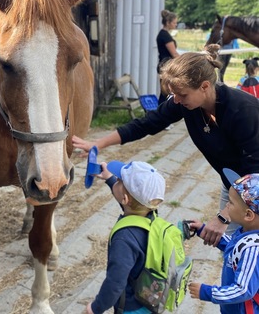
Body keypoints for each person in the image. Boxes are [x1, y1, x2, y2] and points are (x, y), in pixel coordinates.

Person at [72, 44, 259, 247]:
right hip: (234, 185)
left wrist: (223, 217)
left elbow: (255, 169)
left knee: (250, 250)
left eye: (182, 94)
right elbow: (148, 123)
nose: (176, 100)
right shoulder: (187, 104)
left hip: (253, 188)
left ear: (204, 86)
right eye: (174, 94)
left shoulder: (243, 111)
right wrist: (98, 144)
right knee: (233, 248)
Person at [86, 160, 165, 314]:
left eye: (119, 180)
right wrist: (109, 179)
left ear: (125, 200)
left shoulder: (124, 239)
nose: (116, 180)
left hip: (131, 308)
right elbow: (130, 204)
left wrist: (95, 308)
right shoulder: (151, 216)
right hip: (151, 299)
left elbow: (115, 283)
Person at [187, 169, 259, 313]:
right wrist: (203, 231)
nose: (226, 206)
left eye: (231, 203)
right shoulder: (246, 232)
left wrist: (207, 292)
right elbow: (236, 249)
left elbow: (243, 290)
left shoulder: (253, 248)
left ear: (248, 214)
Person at [156, 9, 180, 104]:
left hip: (165, 65)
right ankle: (160, 113)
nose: (175, 24)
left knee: (166, 91)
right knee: (166, 92)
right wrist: (186, 61)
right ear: (168, 22)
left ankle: (161, 112)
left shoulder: (164, 34)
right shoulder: (165, 36)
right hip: (166, 65)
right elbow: (174, 54)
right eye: (174, 22)